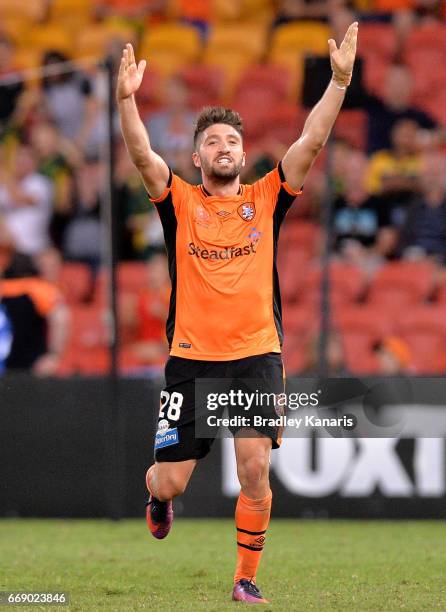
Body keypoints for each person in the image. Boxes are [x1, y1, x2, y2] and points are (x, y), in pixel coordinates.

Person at [116, 22, 358, 605]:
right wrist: (125, 100)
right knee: (170, 477)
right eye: (214, 141)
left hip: (255, 354)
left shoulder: (267, 198)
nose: (224, 148)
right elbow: (142, 154)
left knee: (255, 470)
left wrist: (340, 83)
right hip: (192, 360)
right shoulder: (178, 202)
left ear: (243, 154)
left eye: (232, 141)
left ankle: (244, 580)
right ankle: (157, 495)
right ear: (197, 155)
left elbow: (311, 142)